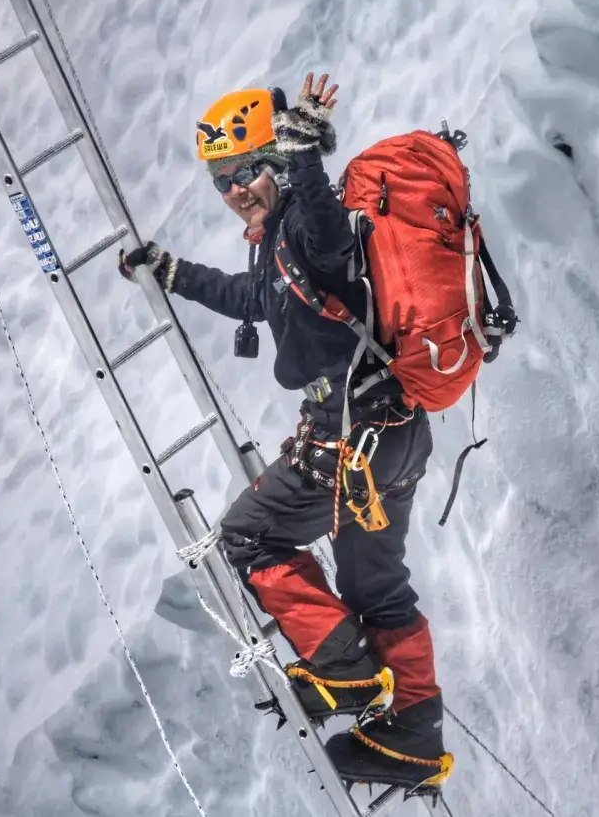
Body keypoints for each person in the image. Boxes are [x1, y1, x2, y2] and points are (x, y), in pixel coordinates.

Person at [118, 73, 451, 791]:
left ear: (274, 162)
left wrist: (304, 157)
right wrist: (174, 272)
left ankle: (344, 672)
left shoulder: (306, 221)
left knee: (248, 538)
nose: (236, 189)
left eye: (246, 171)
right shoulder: (279, 243)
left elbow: (328, 236)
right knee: (377, 589)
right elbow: (254, 296)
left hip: (348, 439)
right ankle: (415, 737)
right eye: (222, 180)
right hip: (392, 435)